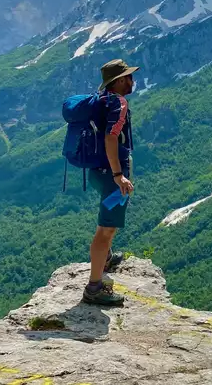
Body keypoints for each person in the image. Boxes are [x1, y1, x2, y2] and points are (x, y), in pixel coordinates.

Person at [82, 59, 139, 306]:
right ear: (118, 81)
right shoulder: (119, 103)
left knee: (108, 226)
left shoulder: (101, 99)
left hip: (97, 171)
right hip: (111, 175)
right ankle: (94, 288)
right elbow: (110, 138)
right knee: (106, 229)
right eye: (128, 77)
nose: (132, 81)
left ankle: (104, 259)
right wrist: (118, 175)